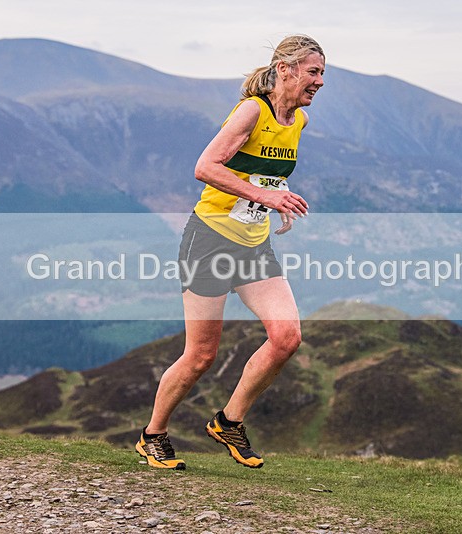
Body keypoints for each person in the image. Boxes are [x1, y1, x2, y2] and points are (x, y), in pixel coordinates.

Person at [135, 35, 325, 470]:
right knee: (201, 356)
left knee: (287, 338)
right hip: (210, 241)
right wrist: (266, 196)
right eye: (313, 72)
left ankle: (229, 421)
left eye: (321, 74)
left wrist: (276, 200)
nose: (319, 82)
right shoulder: (252, 110)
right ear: (285, 69)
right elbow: (205, 167)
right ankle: (153, 435)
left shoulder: (298, 120)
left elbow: (262, 173)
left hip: (254, 244)